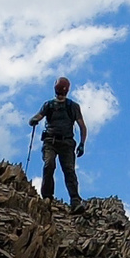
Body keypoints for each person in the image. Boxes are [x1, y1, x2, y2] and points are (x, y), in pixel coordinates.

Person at [29, 76, 87, 207]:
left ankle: (75, 200)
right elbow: (39, 115)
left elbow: (82, 126)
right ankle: (47, 197)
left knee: (69, 170)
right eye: (58, 93)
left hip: (66, 143)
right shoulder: (48, 105)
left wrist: (82, 144)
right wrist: (34, 119)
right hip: (50, 141)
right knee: (49, 165)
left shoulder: (72, 106)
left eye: (61, 93)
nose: (60, 96)